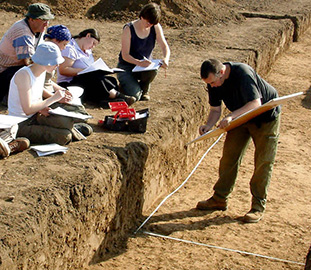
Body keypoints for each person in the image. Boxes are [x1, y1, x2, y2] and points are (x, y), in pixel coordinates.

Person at [196, 58, 281, 223]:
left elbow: (256, 103)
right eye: (209, 83)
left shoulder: (243, 73)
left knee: (263, 162)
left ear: (222, 72)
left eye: (213, 82)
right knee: (229, 157)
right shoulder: (213, 81)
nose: (212, 86)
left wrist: (230, 116)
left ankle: (257, 206)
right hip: (241, 117)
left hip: (265, 118)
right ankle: (219, 198)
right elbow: (215, 109)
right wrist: (208, 124)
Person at [8, 42, 91, 145]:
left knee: (70, 116)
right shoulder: (23, 75)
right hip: (21, 123)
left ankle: (70, 128)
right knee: (64, 136)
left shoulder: (41, 70)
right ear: (46, 62)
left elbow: (36, 88)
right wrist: (54, 98)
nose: (57, 65)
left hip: (37, 114)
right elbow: (27, 109)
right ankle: (71, 130)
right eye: (55, 63)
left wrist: (56, 97)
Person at [57, 28, 135, 106]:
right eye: (93, 43)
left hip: (85, 79)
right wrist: (85, 71)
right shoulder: (70, 49)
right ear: (88, 35)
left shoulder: (87, 50)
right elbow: (63, 70)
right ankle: (116, 96)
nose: (93, 47)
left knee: (109, 79)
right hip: (69, 82)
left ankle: (105, 100)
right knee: (93, 78)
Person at [0, 3, 54, 103]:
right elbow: (29, 64)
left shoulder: (35, 28)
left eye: (47, 21)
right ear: (31, 19)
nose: (46, 24)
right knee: (30, 72)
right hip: (5, 72)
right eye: (43, 20)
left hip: (12, 69)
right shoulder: (23, 33)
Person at [117, 2, 170, 102]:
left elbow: (164, 46)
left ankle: (144, 89)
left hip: (144, 67)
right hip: (126, 66)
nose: (149, 25)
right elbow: (125, 55)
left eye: (152, 23)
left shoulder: (155, 27)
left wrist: (166, 59)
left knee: (153, 71)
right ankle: (126, 86)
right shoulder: (128, 29)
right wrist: (139, 62)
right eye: (148, 22)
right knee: (135, 97)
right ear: (142, 16)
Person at [43, 25, 91, 117]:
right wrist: (55, 98)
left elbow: (47, 81)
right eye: (64, 44)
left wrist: (63, 90)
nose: (64, 48)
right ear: (56, 41)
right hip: (43, 97)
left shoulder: (52, 55)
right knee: (75, 112)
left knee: (79, 109)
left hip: (52, 93)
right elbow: (37, 85)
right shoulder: (44, 55)